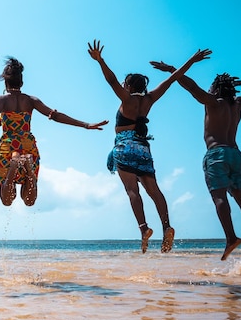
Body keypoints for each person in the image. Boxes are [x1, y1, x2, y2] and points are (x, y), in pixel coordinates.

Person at [150, 60, 241, 260]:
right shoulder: (239, 104)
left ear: (215, 89)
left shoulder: (211, 102)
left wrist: (172, 70)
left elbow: (190, 86)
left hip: (217, 154)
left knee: (219, 197)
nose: (208, 88)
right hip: (236, 154)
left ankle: (231, 237)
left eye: (211, 86)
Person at [87, 40, 212, 253]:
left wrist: (100, 60)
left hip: (124, 147)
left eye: (125, 84)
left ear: (128, 86)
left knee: (132, 190)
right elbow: (173, 78)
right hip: (143, 148)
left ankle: (144, 229)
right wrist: (192, 59)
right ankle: (166, 227)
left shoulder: (126, 99)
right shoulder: (150, 99)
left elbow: (111, 80)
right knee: (154, 190)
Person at [0, 57, 108, 207]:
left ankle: (11, 172)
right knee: (29, 201)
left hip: (8, 145)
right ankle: (28, 170)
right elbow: (55, 115)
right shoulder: (31, 100)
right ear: (21, 82)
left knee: (6, 200)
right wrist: (85, 124)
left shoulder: (2, 100)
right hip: (28, 146)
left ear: (6, 82)